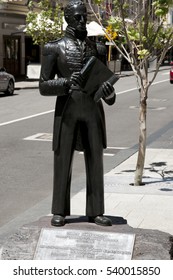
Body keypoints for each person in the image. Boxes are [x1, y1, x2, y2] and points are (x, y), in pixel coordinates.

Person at [39, 0, 116, 227]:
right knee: (62, 160)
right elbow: (43, 85)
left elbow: (107, 84)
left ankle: (96, 211)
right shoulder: (53, 48)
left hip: (93, 111)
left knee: (96, 161)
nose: (83, 21)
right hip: (67, 111)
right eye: (78, 17)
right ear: (68, 19)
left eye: (84, 16)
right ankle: (60, 210)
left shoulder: (98, 48)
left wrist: (109, 93)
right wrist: (64, 82)